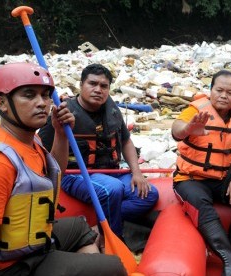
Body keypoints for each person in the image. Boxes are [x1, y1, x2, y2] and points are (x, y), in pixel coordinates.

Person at [0, 62, 126, 275]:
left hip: (34, 242)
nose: (42, 103)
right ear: (2, 103)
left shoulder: (30, 142)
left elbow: (54, 174)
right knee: (114, 267)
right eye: (29, 95)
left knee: (80, 228)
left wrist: (61, 133)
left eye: (45, 95)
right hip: (11, 266)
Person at [39, 63, 159, 239]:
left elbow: (125, 141)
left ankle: (97, 223)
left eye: (104, 86)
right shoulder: (62, 113)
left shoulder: (111, 109)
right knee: (113, 189)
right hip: (75, 175)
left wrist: (137, 173)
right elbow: (41, 149)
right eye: (92, 84)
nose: (98, 90)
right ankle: (113, 239)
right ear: (81, 85)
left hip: (111, 172)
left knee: (149, 194)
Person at [171, 70, 231, 276]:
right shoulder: (196, 111)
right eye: (219, 90)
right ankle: (228, 258)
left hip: (222, 179)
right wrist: (189, 128)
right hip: (190, 179)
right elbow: (176, 129)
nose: (223, 95)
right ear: (211, 91)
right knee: (198, 200)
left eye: (230, 92)